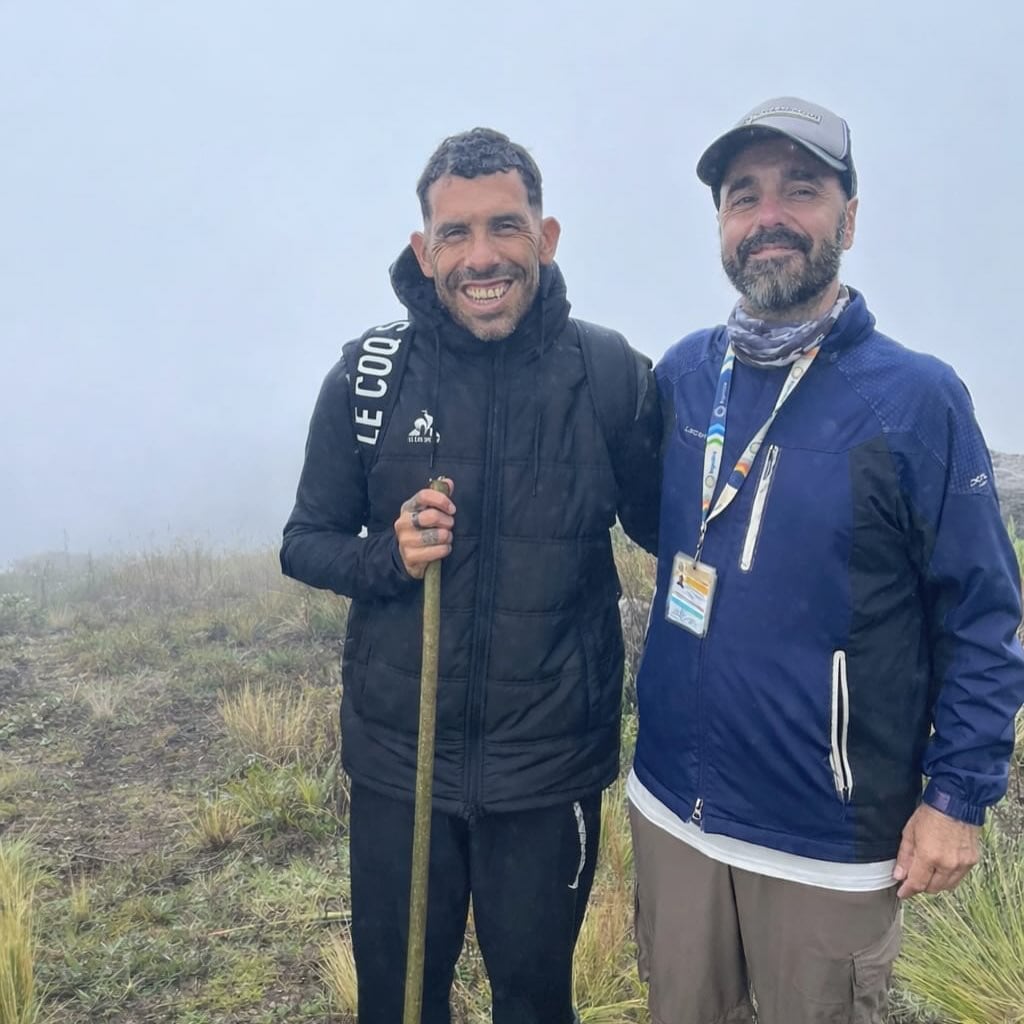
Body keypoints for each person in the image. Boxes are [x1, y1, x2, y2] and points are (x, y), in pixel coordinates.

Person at [629, 96, 1024, 1024]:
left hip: (826, 842)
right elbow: (665, 527)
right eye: (743, 195)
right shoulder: (686, 374)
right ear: (721, 225)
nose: (768, 216)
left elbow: (983, 615)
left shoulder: (915, 399)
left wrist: (957, 797)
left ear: (849, 218)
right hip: (672, 811)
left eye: (800, 190)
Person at [281, 127, 661, 1024]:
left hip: (548, 771)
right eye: (454, 233)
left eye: (505, 226)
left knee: (534, 1001)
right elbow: (305, 541)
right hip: (399, 765)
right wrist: (388, 555)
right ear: (425, 250)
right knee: (398, 1003)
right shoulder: (371, 375)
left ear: (546, 237)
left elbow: (677, 534)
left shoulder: (608, 374)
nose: (481, 256)